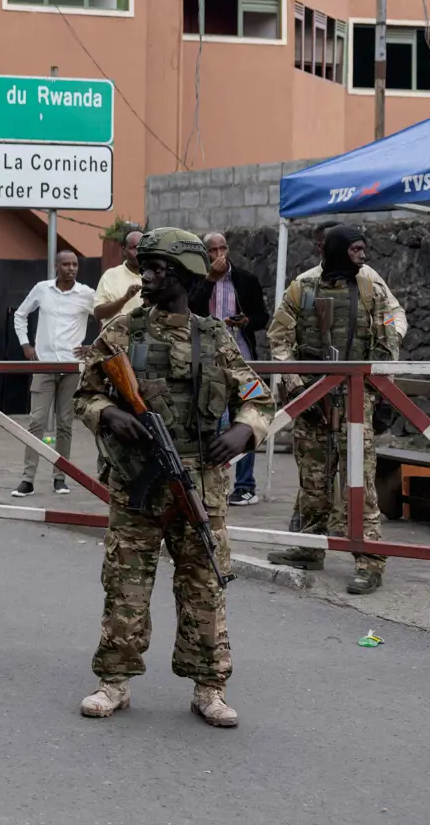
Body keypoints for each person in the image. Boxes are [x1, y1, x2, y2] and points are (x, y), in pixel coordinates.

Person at [74, 228, 271, 728]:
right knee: (125, 584)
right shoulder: (122, 332)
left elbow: (258, 397)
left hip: (198, 482)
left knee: (204, 584)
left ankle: (210, 687)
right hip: (138, 479)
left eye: (159, 269)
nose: (148, 275)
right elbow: (86, 393)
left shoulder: (215, 336)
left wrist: (245, 432)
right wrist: (108, 416)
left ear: (183, 276)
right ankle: (113, 682)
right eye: (147, 266)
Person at [265, 224, 401, 595]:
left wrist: (374, 390)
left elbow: (388, 340)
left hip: (355, 403)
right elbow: (279, 337)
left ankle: (369, 558)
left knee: (361, 484)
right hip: (311, 401)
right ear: (340, 250)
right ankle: (311, 548)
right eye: (356, 249)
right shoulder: (302, 288)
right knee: (313, 483)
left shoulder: (370, 288)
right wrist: (295, 387)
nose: (363, 256)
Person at [186, 232, 271, 506]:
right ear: (205, 253)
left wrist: (245, 320)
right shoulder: (197, 278)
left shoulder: (245, 279)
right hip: (207, 360)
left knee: (246, 418)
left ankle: (245, 485)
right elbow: (189, 310)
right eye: (213, 250)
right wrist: (210, 279)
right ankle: (212, 481)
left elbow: (262, 317)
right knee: (212, 419)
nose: (219, 254)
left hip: (241, 357)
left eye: (223, 248)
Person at [11, 249, 97, 497]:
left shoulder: (86, 294)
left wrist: (95, 346)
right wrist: (25, 344)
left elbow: (106, 317)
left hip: (71, 366)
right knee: (36, 421)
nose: (71, 268)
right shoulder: (42, 289)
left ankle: (61, 477)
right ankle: (27, 479)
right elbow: (20, 315)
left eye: (75, 265)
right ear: (56, 267)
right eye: (67, 264)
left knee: (65, 423)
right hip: (44, 363)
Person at [298, 222, 406, 344]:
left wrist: (393, 335)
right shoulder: (303, 284)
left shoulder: (368, 276)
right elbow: (285, 331)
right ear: (321, 247)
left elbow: (391, 313)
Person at [94, 229, 145, 325]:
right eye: (133, 248)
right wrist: (124, 299)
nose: (138, 253)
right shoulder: (110, 276)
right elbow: (98, 313)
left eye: (141, 247)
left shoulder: (157, 276)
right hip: (115, 337)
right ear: (124, 250)